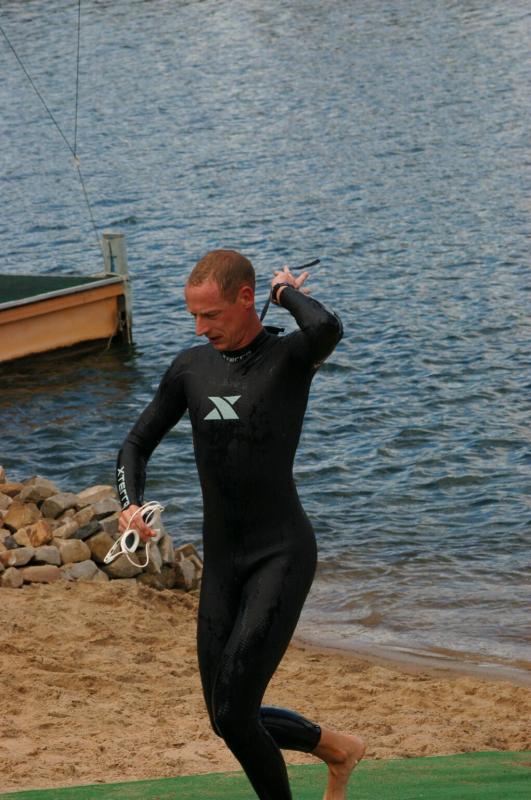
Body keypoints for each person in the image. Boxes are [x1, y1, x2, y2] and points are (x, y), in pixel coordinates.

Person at [116, 249, 365, 800]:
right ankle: (337, 749)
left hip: (281, 554)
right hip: (224, 562)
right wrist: (131, 504)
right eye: (193, 316)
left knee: (233, 709)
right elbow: (136, 444)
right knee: (225, 716)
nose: (200, 329)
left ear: (247, 298)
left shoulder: (290, 357)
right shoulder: (190, 369)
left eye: (211, 315)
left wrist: (285, 291)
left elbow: (326, 327)